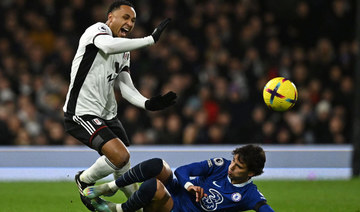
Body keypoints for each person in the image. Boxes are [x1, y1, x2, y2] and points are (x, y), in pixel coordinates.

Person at [62, 0, 176, 211]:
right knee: (121, 156)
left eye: (133, 20)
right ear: (110, 17)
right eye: (125, 17)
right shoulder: (97, 30)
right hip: (82, 112)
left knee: (123, 164)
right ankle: (84, 180)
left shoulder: (124, 51)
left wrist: (148, 103)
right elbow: (107, 45)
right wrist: (150, 40)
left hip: (108, 114)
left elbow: (125, 86)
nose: (130, 23)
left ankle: (138, 207)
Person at [83, 144, 275, 212]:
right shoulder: (220, 165)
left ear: (251, 173)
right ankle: (112, 186)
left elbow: (264, 208)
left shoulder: (249, 194)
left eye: (238, 166)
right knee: (158, 165)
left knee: (154, 186)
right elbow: (183, 170)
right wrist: (190, 186)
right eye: (233, 161)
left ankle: (119, 210)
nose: (231, 167)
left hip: (179, 209)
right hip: (179, 189)